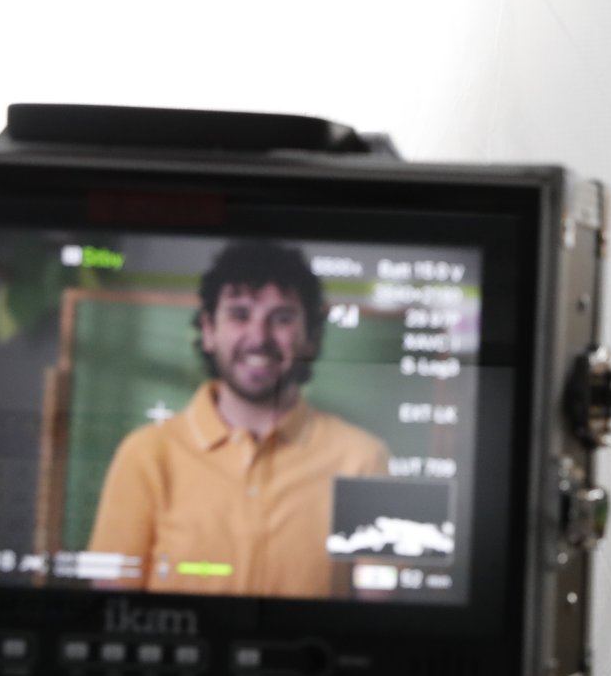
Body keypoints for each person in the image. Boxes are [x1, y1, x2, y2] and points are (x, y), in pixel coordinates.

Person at [89, 240, 388, 597]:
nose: (259, 337)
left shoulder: (365, 459)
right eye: (240, 315)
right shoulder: (144, 453)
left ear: (311, 337)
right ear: (208, 330)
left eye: (282, 318)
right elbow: (110, 606)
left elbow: (382, 609)